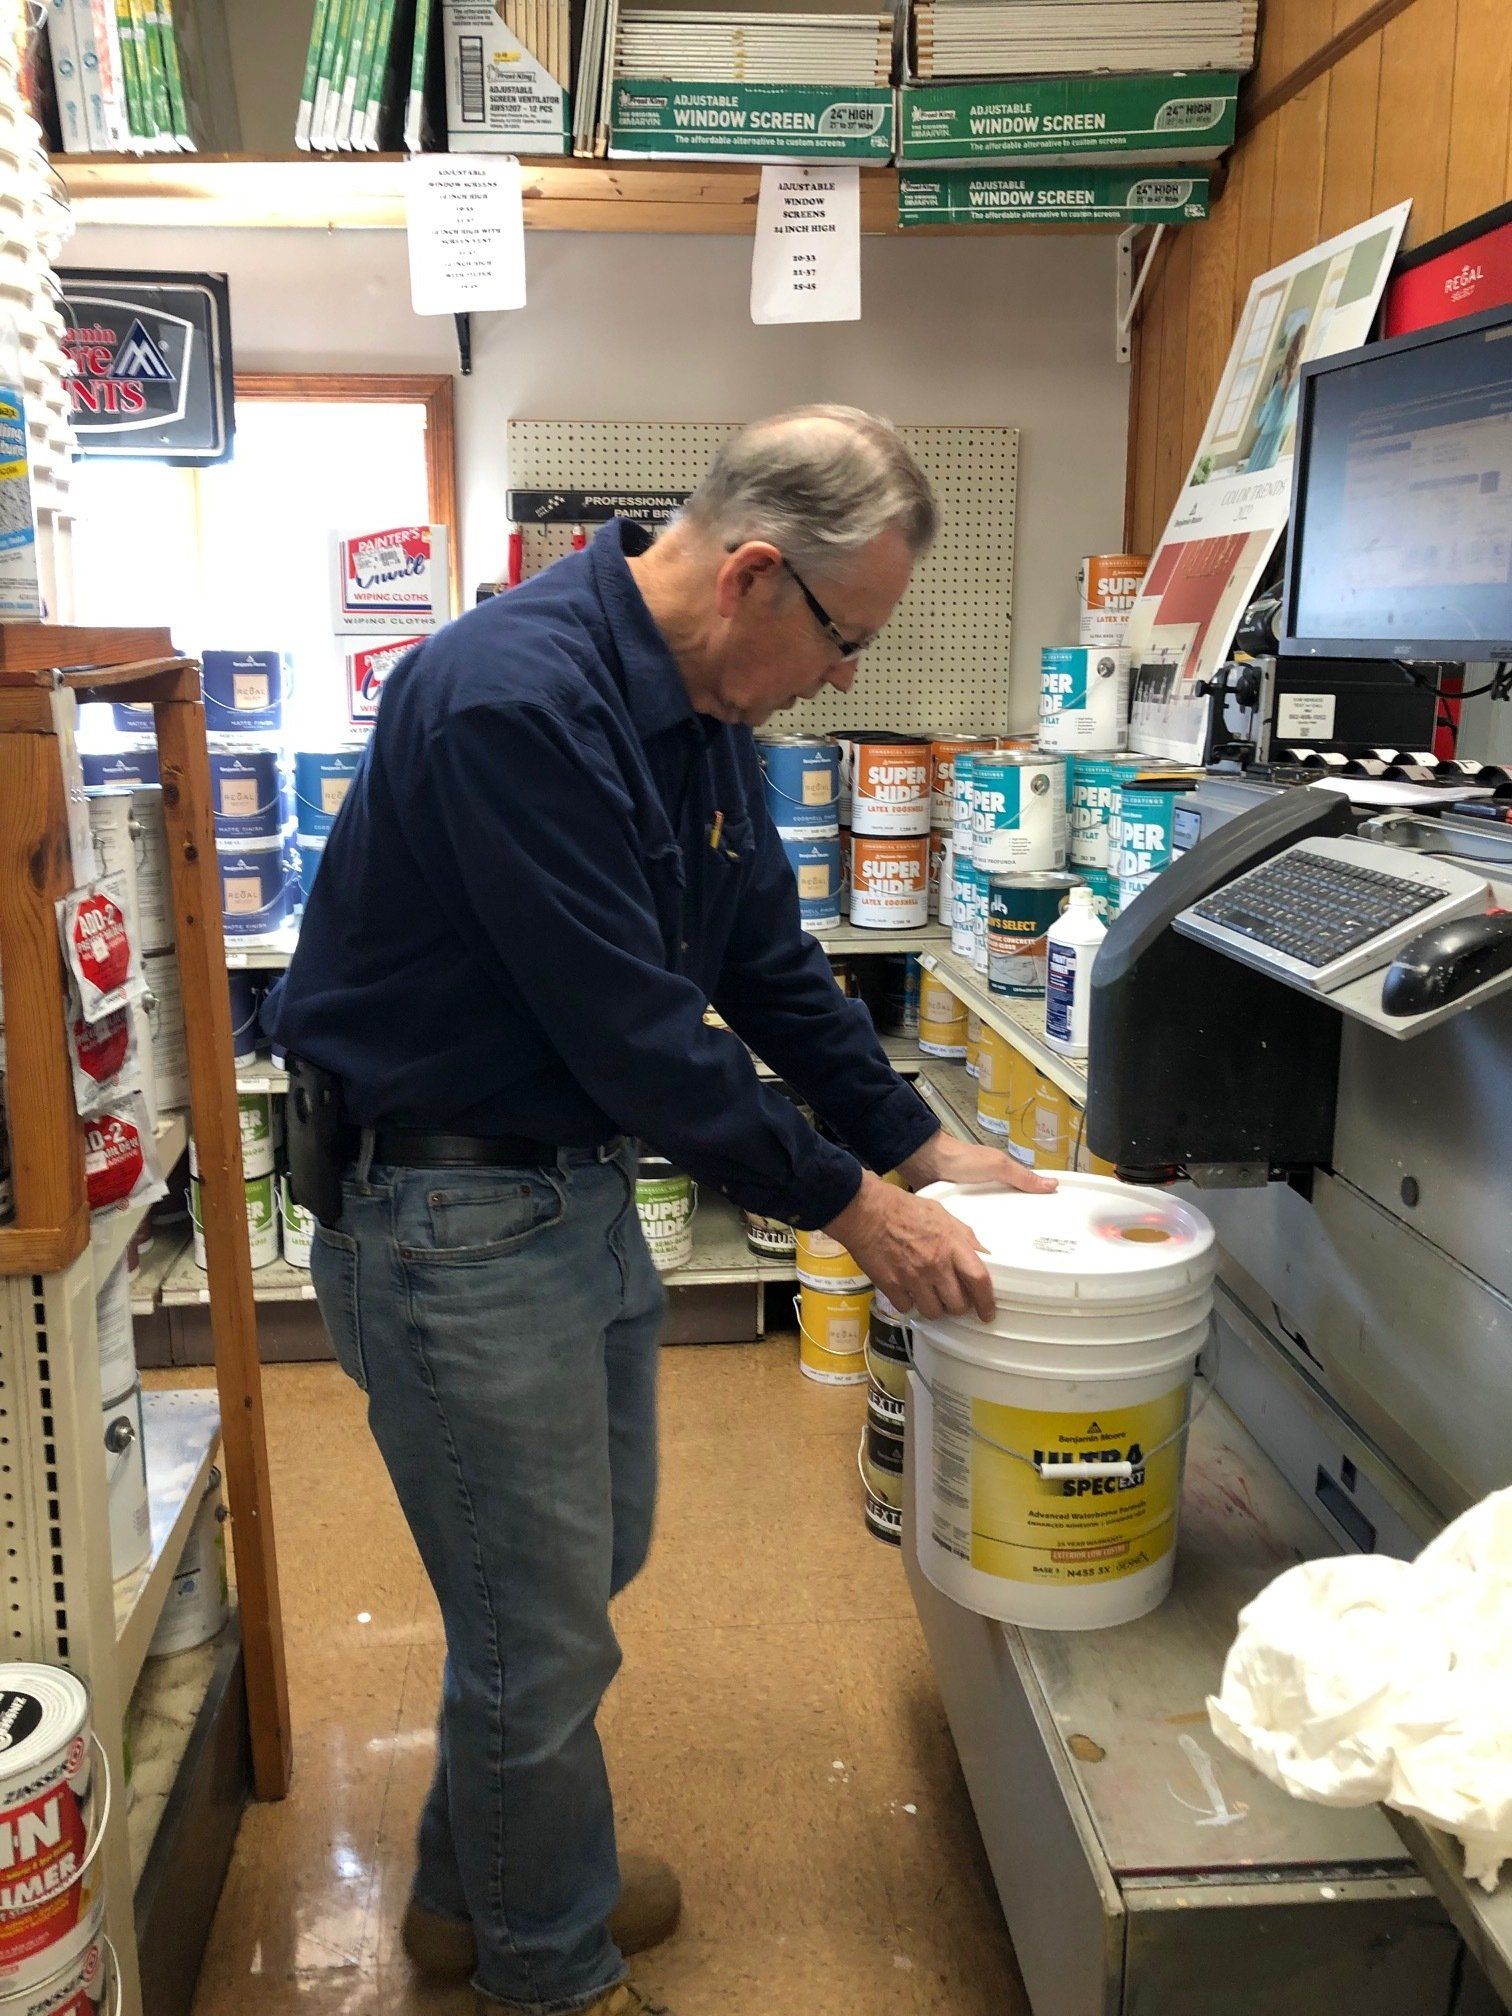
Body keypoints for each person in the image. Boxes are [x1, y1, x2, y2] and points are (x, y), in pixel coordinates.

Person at [264, 406, 1050, 2016]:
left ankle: (473, 1888)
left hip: (565, 1199)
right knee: (536, 1629)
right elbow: (632, 1029)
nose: (847, 679)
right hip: (447, 1215)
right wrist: (853, 1212)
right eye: (847, 638)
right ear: (757, 572)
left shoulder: (698, 709)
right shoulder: (509, 701)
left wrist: (916, 1146)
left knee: (567, 1577)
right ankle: (548, 1972)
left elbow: (764, 956)